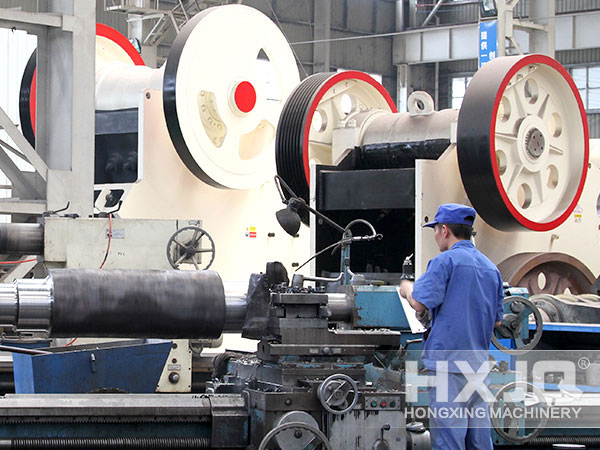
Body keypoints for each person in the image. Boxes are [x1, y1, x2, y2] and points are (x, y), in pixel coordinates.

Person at [399, 203, 504, 450]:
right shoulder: (491, 268)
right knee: (479, 441)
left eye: (435, 229)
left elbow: (420, 303)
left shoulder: (444, 262)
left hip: (448, 368)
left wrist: (406, 288)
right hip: (478, 367)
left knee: (449, 441)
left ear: (444, 230)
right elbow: (498, 321)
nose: (435, 235)